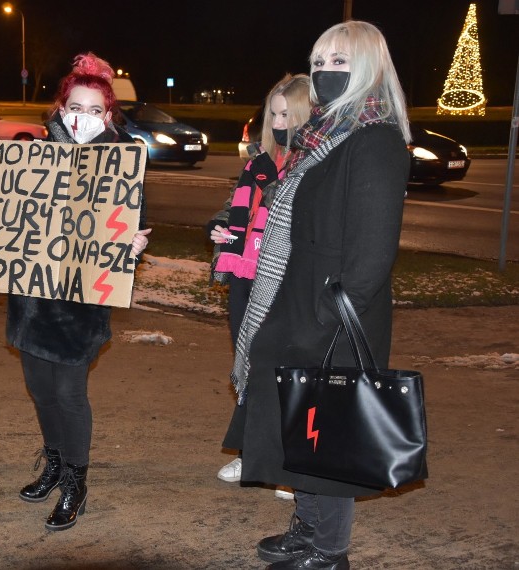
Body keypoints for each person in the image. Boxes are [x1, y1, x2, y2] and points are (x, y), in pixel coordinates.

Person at [0, 52, 150, 531]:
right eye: (75, 107)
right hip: (32, 300)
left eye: (94, 110)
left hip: (81, 305)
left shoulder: (122, 162)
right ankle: (55, 464)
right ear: (60, 109)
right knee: (40, 390)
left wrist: (132, 244)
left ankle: (77, 480)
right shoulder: (31, 156)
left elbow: (127, 225)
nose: (83, 117)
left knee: (69, 393)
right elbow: (5, 214)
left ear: (108, 115)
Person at [230, 22, 411, 569]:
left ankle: (330, 551)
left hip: (335, 309)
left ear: (370, 67)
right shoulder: (326, 135)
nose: (325, 71)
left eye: (340, 61)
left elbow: (371, 258)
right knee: (298, 424)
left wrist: (324, 321)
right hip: (300, 296)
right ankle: (307, 528)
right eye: (318, 60)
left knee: (326, 431)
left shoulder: (375, 140)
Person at [207, 74, 311, 500]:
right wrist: (218, 228)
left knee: (282, 367)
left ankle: (291, 463)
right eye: (273, 113)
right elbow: (235, 207)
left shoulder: (312, 163)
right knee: (248, 363)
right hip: (244, 273)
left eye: (287, 113)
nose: (279, 121)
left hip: (284, 278)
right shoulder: (258, 161)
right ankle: (252, 451)